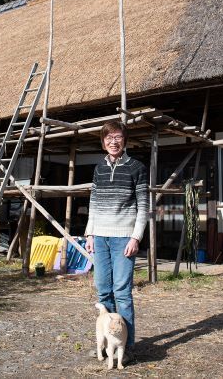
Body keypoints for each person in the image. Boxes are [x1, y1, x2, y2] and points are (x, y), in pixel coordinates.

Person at [85, 120, 148, 357]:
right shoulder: (99, 167)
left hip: (124, 238)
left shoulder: (136, 167)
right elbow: (93, 201)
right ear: (103, 142)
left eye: (118, 137)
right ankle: (107, 343)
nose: (113, 142)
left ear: (125, 140)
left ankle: (127, 345)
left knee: (122, 292)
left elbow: (143, 206)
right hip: (100, 237)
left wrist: (136, 237)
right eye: (109, 138)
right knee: (103, 290)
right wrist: (90, 232)